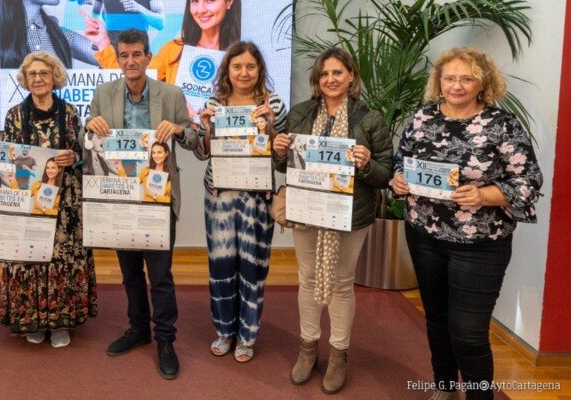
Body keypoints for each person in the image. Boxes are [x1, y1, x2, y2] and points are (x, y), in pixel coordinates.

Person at [391, 48, 541, 400]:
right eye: (449, 78)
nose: (456, 85)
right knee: (437, 320)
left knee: (469, 332)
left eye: (466, 78)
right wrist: (398, 178)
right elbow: (402, 160)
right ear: (438, 82)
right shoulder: (421, 117)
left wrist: (486, 196)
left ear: (482, 83)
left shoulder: (502, 124)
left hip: (480, 245)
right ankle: (444, 387)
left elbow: (529, 180)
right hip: (424, 235)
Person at [272, 47, 392, 394]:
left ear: (351, 76)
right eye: (324, 74)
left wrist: (367, 163)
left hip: (350, 215)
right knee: (307, 278)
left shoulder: (370, 119)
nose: (331, 80)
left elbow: (385, 174)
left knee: (341, 283)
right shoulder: (299, 114)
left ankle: (339, 353)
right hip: (308, 210)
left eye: (338, 72)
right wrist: (279, 151)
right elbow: (284, 167)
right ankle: (308, 347)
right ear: (317, 79)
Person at [84, 28, 199, 380]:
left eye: (137, 54)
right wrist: (89, 126)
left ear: (149, 57)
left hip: (158, 198)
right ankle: (139, 329)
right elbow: (84, 139)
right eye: (124, 55)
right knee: (130, 273)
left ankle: (166, 339)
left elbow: (195, 139)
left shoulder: (171, 93)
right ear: (116, 59)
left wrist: (179, 131)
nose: (131, 61)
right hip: (119, 198)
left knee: (160, 276)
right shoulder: (103, 94)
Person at [0, 51, 97, 348]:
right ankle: (33, 319)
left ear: (54, 77)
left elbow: (82, 155)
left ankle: (61, 322)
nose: (38, 79)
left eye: (43, 73)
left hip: (64, 201)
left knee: (61, 259)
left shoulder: (70, 113)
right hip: (27, 201)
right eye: (32, 74)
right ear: (25, 81)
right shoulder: (14, 115)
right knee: (27, 255)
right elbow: (8, 157)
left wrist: (75, 157)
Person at [194, 41, 288, 362]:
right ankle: (224, 330)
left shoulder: (273, 103)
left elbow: (281, 156)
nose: (244, 72)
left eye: (250, 66)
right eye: (237, 67)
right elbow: (202, 151)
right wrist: (206, 128)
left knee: (253, 267)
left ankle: (247, 336)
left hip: (257, 197)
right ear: (227, 71)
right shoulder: (214, 103)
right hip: (219, 195)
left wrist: (272, 126)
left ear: (259, 69)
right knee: (220, 266)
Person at [85, 0, 242, 84]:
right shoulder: (173, 50)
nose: (200, 10)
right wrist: (103, 43)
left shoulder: (243, 55)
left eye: (210, 0)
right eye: (194, 1)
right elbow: (132, 78)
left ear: (229, 1)